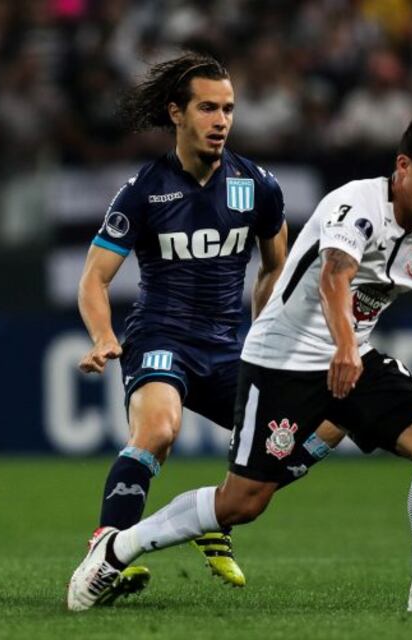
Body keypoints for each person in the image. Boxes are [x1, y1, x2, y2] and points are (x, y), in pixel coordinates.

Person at [67, 115, 412, 613]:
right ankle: (116, 549)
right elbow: (334, 276)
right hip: (283, 360)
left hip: (351, 359)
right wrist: (344, 346)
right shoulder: (356, 204)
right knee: (241, 502)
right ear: (404, 166)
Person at [70, 52, 344, 607]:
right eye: (208, 108)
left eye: (228, 109)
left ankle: (212, 517)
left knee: (320, 426)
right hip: (160, 338)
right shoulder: (144, 190)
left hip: (226, 349)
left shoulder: (257, 185)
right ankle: (105, 552)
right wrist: (103, 336)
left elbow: (275, 269)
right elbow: (94, 279)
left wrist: (267, 335)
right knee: (158, 431)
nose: (221, 121)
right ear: (177, 113)